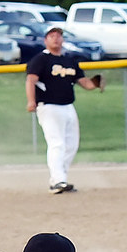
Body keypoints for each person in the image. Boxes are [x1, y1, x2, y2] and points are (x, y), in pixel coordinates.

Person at [25, 27, 103, 194]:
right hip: (49, 106)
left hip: (68, 107)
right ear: (46, 40)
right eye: (52, 36)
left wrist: (96, 83)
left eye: (59, 36)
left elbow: (84, 83)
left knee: (71, 146)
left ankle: (59, 178)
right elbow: (31, 80)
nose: (56, 39)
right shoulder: (41, 60)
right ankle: (58, 180)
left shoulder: (70, 60)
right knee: (57, 143)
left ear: (63, 40)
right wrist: (31, 101)